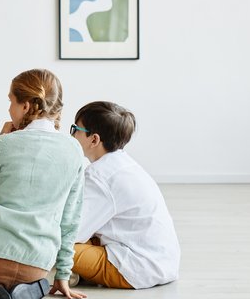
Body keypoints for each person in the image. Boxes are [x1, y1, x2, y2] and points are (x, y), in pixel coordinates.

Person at [0, 69, 87, 299]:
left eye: (10, 102)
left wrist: (0, 138)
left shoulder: (3, 143)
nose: (9, 109)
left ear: (26, 106)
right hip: (35, 265)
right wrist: (62, 275)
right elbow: (70, 219)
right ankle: (38, 287)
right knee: (32, 274)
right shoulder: (74, 150)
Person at [70, 101, 180, 289]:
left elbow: (73, 232)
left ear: (94, 139)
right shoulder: (122, 164)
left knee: (52, 245)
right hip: (161, 261)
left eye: (75, 129)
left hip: (136, 267)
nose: (71, 134)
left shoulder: (100, 177)